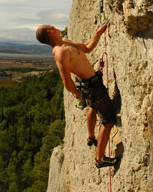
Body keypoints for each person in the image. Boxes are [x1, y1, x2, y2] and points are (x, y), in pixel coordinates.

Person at [35, 24, 118, 168]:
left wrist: (97, 33)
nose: (54, 26)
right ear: (50, 31)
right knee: (108, 121)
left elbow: (87, 47)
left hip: (90, 84)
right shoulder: (60, 52)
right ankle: (100, 158)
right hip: (90, 86)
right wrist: (78, 95)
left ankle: (91, 136)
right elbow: (66, 81)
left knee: (93, 107)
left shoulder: (66, 43)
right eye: (51, 26)